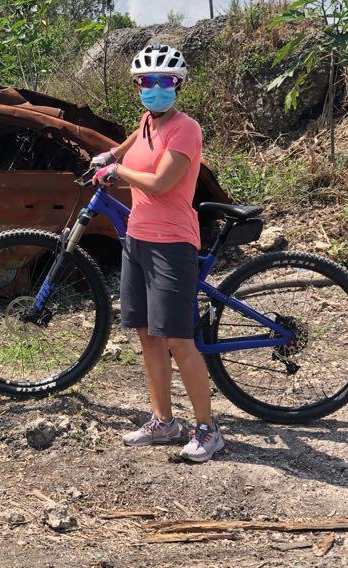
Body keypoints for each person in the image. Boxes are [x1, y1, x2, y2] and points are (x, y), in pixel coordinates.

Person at [91, 43, 224, 463]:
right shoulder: (150, 120)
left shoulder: (187, 128)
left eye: (164, 82)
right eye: (148, 82)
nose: (155, 89)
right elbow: (138, 136)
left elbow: (161, 183)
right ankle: (164, 421)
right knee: (148, 336)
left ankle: (208, 429)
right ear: (138, 87)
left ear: (177, 86)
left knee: (180, 341)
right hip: (138, 238)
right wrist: (113, 152)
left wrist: (117, 170)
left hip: (173, 243)